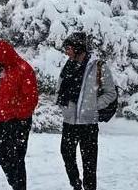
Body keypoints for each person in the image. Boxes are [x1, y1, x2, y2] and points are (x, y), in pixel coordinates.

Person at [57, 32, 117, 190]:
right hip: (70, 121)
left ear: (78, 48)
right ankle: (76, 185)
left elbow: (111, 93)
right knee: (66, 153)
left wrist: (93, 106)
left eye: (69, 48)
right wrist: (64, 108)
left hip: (88, 123)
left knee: (89, 165)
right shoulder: (68, 65)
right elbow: (60, 88)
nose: (66, 52)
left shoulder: (98, 66)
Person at [0, 40, 39, 190]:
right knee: (2, 156)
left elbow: (31, 98)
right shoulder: (3, 70)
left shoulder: (24, 69)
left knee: (17, 159)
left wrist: (17, 115)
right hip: (4, 120)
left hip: (19, 121)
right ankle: (16, 185)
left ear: (5, 56)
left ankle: (19, 187)